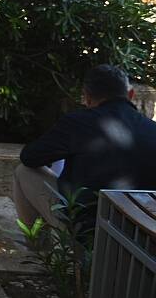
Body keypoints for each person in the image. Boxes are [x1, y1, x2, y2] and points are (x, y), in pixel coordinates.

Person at [14, 64, 156, 232]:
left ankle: (42, 252)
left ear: (87, 97)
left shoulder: (77, 122)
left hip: (85, 232)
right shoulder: (152, 129)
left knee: (24, 171)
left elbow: (29, 157)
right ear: (130, 94)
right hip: (140, 237)